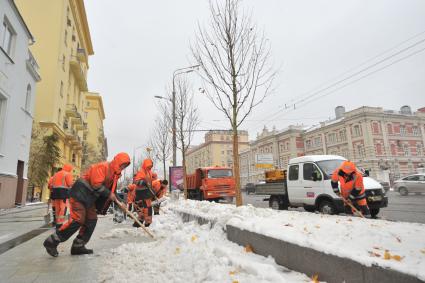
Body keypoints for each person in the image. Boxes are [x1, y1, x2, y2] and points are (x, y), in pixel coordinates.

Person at [42, 152, 130, 257]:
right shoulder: (103, 167)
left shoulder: (114, 175)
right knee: (78, 219)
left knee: (92, 220)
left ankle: (78, 246)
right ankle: (52, 241)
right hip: (80, 194)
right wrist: (109, 194)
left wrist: (121, 203)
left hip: (89, 198)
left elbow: (112, 192)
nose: (123, 167)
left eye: (125, 166)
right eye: (123, 164)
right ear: (118, 162)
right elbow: (96, 184)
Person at [132, 159, 157, 227]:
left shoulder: (149, 172)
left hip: (146, 193)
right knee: (144, 208)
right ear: (145, 165)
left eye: (151, 166)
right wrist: (143, 182)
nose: (150, 167)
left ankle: (143, 223)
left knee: (147, 208)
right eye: (149, 166)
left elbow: (150, 181)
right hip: (140, 193)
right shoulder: (141, 171)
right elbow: (136, 181)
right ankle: (143, 223)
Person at [47, 165, 74, 229]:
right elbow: (70, 184)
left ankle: (56, 222)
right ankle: (60, 224)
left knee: (57, 208)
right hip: (63, 194)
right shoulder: (67, 174)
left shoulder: (55, 174)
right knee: (63, 208)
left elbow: (51, 185)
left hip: (55, 194)